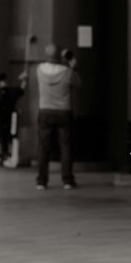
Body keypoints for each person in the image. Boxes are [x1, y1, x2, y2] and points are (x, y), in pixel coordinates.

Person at [36, 43, 81, 189]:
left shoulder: (39, 70)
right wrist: (73, 66)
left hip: (45, 111)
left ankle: (42, 181)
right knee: (66, 147)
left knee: (44, 147)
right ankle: (67, 180)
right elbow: (78, 83)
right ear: (60, 56)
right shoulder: (67, 71)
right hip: (63, 111)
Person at [0, 71, 28, 165]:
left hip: (5, 120)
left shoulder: (5, 94)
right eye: (2, 81)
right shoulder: (7, 93)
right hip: (4, 120)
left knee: (6, 138)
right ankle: (4, 155)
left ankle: (6, 155)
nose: (4, 82)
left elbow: (21, 88)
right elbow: (21, 89)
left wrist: (24, 79)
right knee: (4, 138)